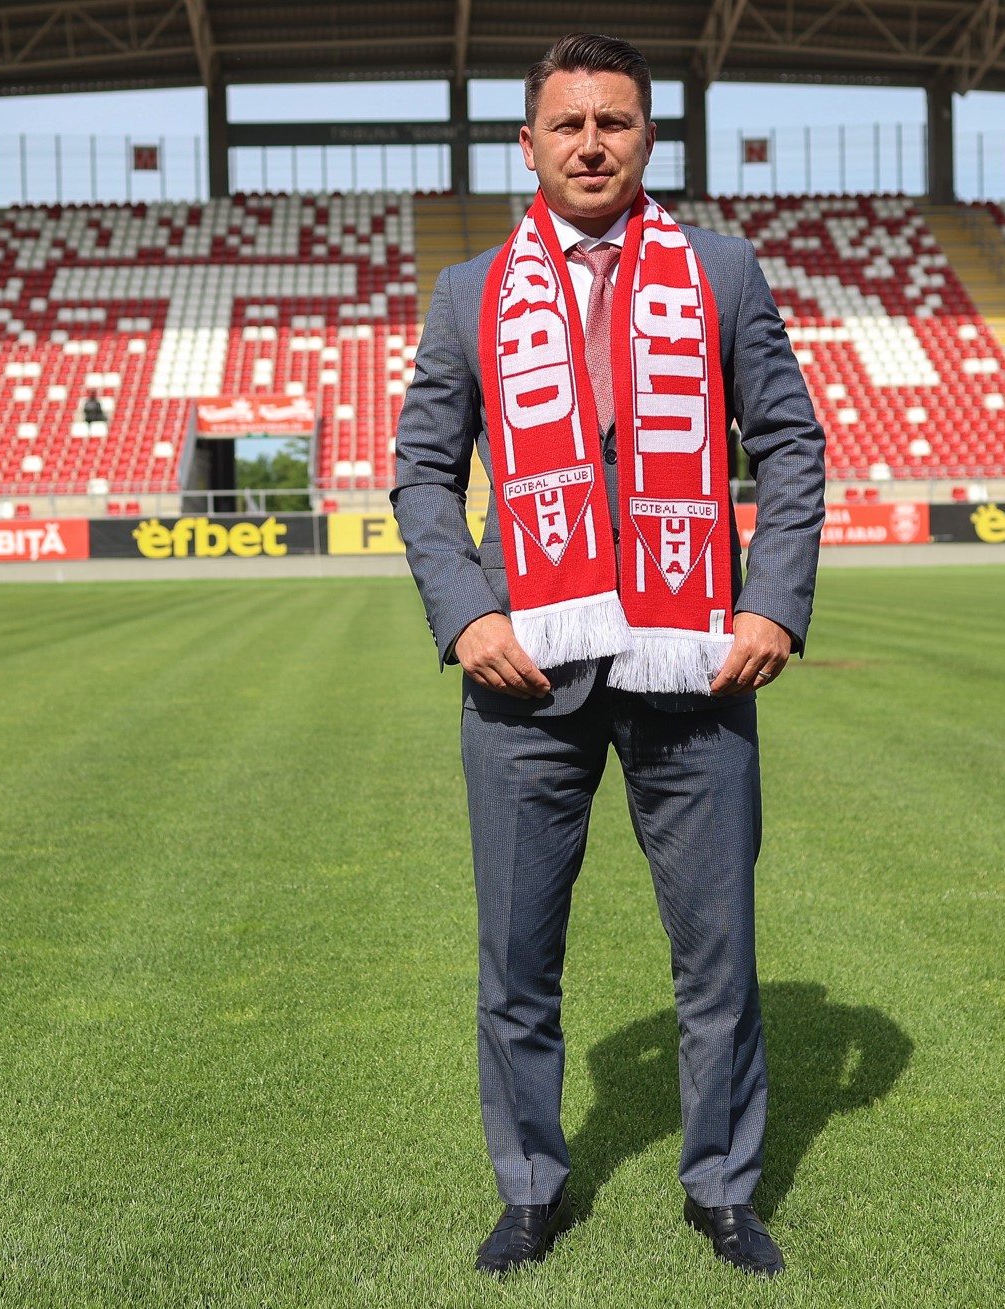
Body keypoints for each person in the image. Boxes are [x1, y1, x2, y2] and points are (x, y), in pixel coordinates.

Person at [392, 32, 825, 1278]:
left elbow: (789, 445)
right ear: (528, 144)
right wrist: (467, 614)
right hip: (522, 675)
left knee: (720, 958)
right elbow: (422, 472)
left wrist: (772, 603)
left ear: (648, 138)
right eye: (569, 124)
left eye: (615, 122)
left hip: (696, 669)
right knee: (516, 961)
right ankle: (530, 1189)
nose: (592, 143)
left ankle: (722, 1191)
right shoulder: (470, 292)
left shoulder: (722, 272)